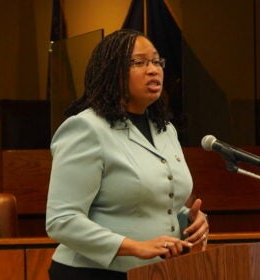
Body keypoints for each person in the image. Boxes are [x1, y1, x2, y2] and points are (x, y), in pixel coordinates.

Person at [46, 29, 209, 280]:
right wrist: (135, 246)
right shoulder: (86, 128)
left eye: (156, 61)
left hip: (156, 272)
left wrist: (190, 220)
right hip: (93, 273)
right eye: (139, 62)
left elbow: (155, 206)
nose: (153, 70)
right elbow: (62, 220)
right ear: (112, 72)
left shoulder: (165, 129)